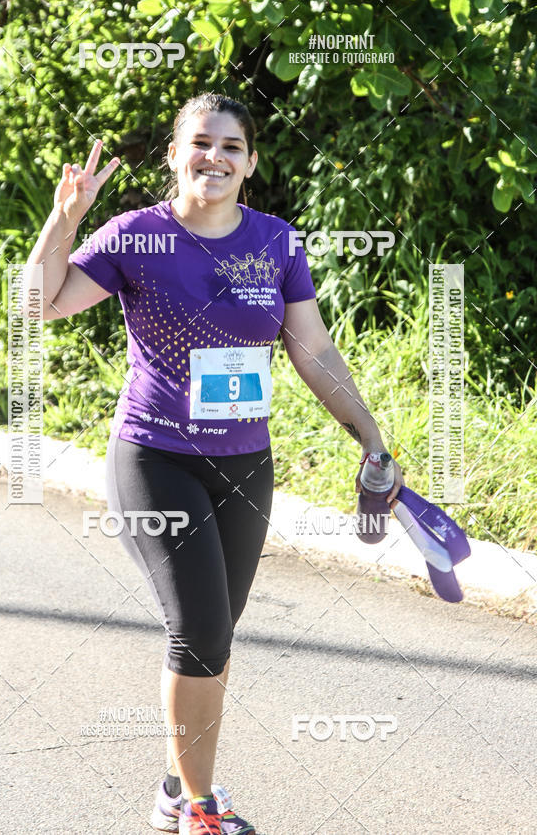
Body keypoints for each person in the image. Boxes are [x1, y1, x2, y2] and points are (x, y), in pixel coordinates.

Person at [24, 92, 404, 835]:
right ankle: (200, 807)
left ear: (251, 163)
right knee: (198, 629)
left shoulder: (276, 242)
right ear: (175, 155)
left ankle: (176, 784)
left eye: (232, 146)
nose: (215, 157)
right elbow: (41, 303)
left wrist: (370, 434)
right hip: (155, 457)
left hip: (244, 464)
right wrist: (65, 216)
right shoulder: (136, 237)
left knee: (217, 634)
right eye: (200, 143)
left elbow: (313, 350)